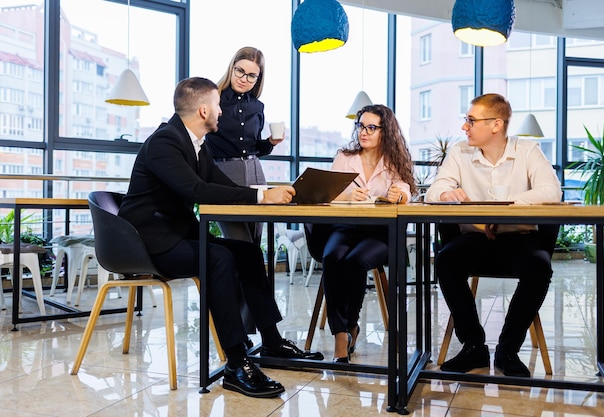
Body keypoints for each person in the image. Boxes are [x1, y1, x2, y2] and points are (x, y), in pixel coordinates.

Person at [118, 77, 323, 399]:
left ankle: (270, 341)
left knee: (247, 252)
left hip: (173, 236)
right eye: (217, 106)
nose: (221, 113)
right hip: (146, 244)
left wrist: (267, 193)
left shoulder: (197, 145)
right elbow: (196, 191)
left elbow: (221, 185)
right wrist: (262, 199)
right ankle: (236, 364)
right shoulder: (164, 142)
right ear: (203, 110)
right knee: (219, 257)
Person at [425, 93, 562, 377]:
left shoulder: (527, 150)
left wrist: (503, 210)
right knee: (446, 261)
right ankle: (474, 347)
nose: (465, 127)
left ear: (496, 124)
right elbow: (433, 192)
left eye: (471, 120)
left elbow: (552, 191)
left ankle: (507, 349)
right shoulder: (459, 152)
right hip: (473, 238)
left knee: (539, 267)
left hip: (519, 238)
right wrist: (446, 192)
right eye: (466, 120)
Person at [315, 104, 417, 362]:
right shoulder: (345, 157)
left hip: (379, 233)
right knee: (331, 257)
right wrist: (347, 195)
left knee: (355, 262)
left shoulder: (395, 161)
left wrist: (400, 194)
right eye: (361, 126)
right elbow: (326, 192)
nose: (364, 132)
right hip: (344, 227)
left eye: (371, 127)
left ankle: (351, 325)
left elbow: (406, 189)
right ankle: (340, 333)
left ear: (386, 131)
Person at [206, 46, 283, 244]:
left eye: (251, 76)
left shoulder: (257, 106)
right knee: (239, 240)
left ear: (258, 79)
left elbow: (255, 147)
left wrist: (271, 143)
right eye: (240, 71)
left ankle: (254, 276)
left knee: (255, 240)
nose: (244, 79)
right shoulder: (213, 99)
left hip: (255, 170)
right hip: (223, 172)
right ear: (232, 68)